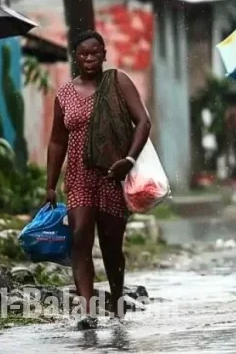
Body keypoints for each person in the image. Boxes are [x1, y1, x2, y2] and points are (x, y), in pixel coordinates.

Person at [45, 31, 151, 329]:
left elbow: (143, 121)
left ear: (104, 54)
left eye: (95, 53)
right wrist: (50, 185)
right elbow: (56, 142)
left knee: (111, 244)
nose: (89, 59)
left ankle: (117, 300)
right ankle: (87, 311)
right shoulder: (64, 94)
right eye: (83, 54)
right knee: (79, 237)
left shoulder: (117, 83)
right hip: (78, 177)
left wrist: (128, 161)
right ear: (75, 57)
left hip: (112, 175)